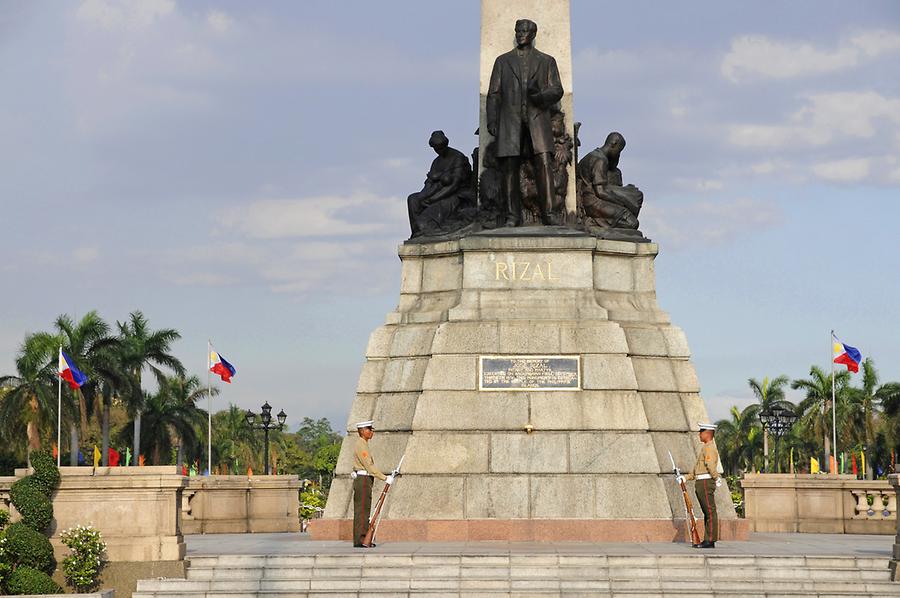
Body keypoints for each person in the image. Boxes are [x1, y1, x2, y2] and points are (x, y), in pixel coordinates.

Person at [486, 19, 564, 226]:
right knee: (509, 167)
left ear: (533, 34)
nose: (520, 34)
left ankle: (550, 213)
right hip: (510, 121)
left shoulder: (546, 61)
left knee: (545, 163)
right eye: (518, 30)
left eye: (525, 31)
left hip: (537, 118)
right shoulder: (502, 61)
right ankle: (512, 216)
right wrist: (492, 120)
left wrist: (539, 97)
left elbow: (557, 89)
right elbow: (493, 93)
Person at [407, 131, 475, 237]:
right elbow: (429, 182)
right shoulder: (436, 161)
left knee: (429, 214)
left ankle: (425, 228)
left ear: (445, 144)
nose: (439, 151)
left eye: (441, 148)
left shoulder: (458, 157)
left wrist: (433, 199)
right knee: (413, 199)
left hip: (455, 195)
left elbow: (455, 185)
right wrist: (423, 196)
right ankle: (418, 232)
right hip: (436, 191)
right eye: (436, 149)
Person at [576, 132, 643, 231]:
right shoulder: (600, 160)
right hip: (593, 202)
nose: (618, 154)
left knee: (634, 194)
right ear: (614, 144)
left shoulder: (593, 155)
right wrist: (625, 203)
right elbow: (601, 192)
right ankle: (594, 224)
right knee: (632, 223)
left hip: (591, 199)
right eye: (619, 150)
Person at [678, 423, 722, 548]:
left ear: (707, 433)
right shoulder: (705, 448)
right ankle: (708, 539)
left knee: (710, 512)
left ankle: (710, 540)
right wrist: (685, 478)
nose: (699, 434)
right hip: (701, 482)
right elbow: (698, 470)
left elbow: (710, 465)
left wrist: (716, 477)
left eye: (701, 431)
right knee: (707, 512)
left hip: (705, 483)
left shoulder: (709, 448)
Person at [352, 420, 395, 548]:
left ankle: (361, 538)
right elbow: (369, 466)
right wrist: (384, 478)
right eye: (369, 429)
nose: (372, 432)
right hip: (363, 480)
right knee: (362, 510)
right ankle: (361, 539)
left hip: (364, 479)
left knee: (364, 509)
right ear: (363, 431)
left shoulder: (363, 444)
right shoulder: (361, 445)